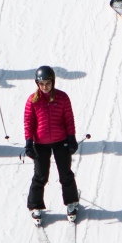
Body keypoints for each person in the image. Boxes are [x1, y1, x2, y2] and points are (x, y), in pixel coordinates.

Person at [24, 66, 80, 220]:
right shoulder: (32, 100)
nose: (45, 87)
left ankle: (72, 202)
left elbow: (69, 119)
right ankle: (35, 205)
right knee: (40, 175)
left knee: (65, 173)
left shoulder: (62, 98)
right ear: (37, 84)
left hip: (60, 141)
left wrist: (71, 138)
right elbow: (29, 123)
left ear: (53, 82)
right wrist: (29, 143)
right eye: (41, 84)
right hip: (40, 143)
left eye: (47, 83)